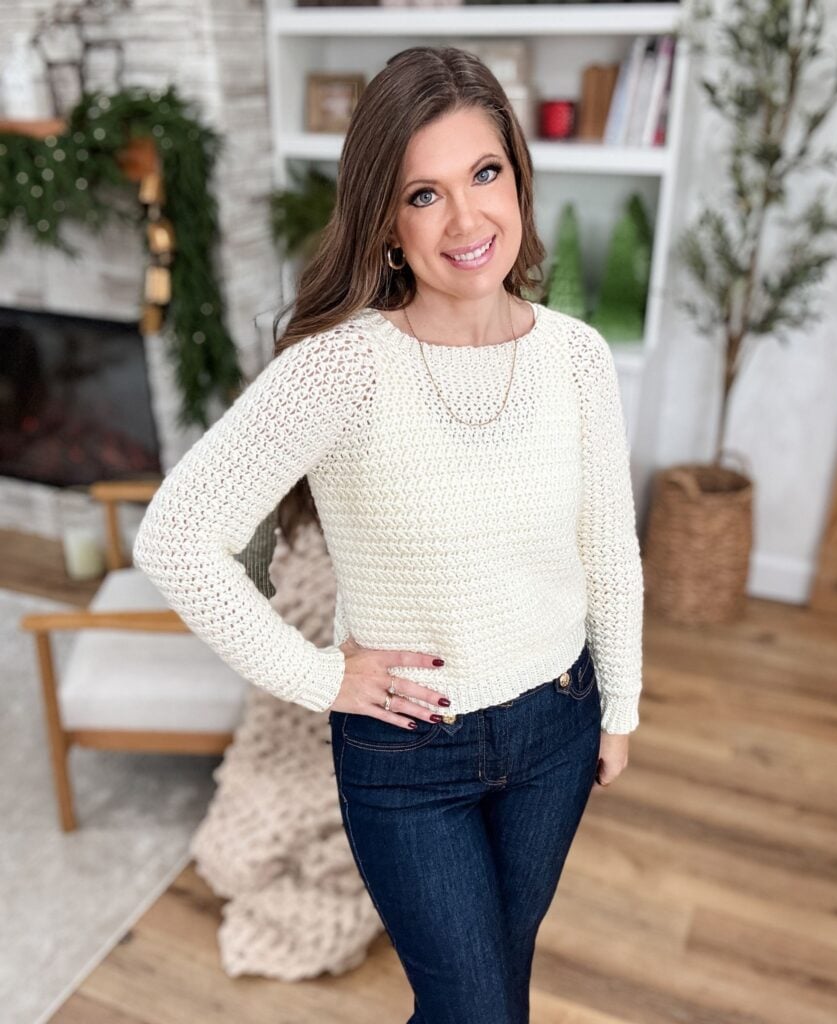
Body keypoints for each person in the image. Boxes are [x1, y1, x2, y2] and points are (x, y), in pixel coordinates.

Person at [133, 44, 643, 1024]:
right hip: (411, 754)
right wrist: (319, 676)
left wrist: (617, 707)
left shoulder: (576, 358)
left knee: (491, 992)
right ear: (385, 220)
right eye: (423, 194)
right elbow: (178, 536)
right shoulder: (340, 367)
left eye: (484, 174)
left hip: (557, 725)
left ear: (518, 177)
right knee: (476, 1008)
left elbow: (607, 550)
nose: (466, 221)